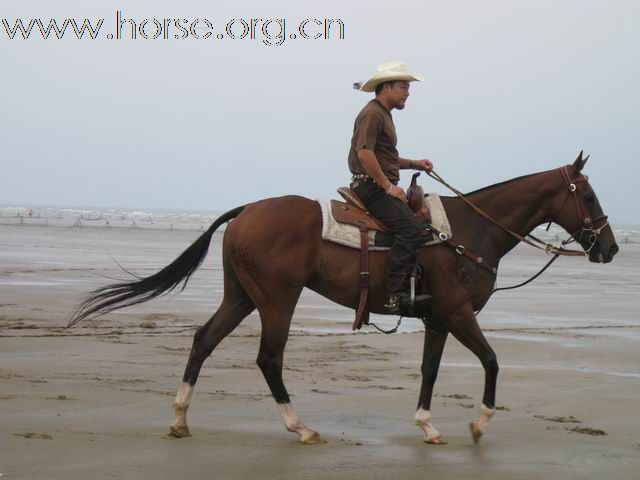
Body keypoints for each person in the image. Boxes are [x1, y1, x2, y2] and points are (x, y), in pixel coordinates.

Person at [348, 62, 433, 314]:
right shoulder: (373, 114)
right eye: (403, 87)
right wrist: (387, 186)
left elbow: (384, 157)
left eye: (408, 87)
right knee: (411, 228)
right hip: (371, 187)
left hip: (376, 183)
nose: (408, 92)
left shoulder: (383, 113)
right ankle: (395, 295)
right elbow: (364, 154)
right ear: (386, 87)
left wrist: (414, 163)